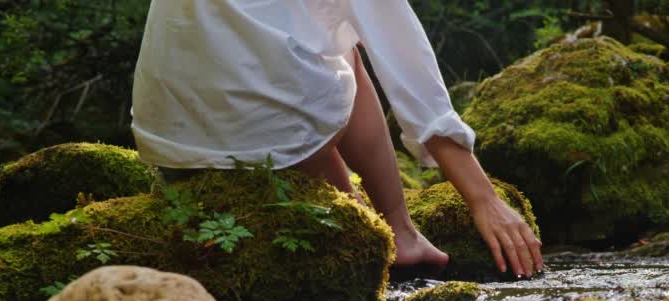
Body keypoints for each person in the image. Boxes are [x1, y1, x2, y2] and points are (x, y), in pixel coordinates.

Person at [131, 0, 543, 277]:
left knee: (308, 45)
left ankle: (359, 217)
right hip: (265, 126)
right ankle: (400, 232)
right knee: (346, 55)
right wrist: (483, 199)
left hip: (168, 134)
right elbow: (411, 74)